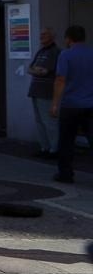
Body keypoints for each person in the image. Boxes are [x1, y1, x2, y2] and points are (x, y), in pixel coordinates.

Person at [53, 24, 93, 184]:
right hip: (90, 104)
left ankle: (66, 174)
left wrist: (55, 103)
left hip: (70, 105)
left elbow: (60, 79)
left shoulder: (66, 55)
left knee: (66, 141)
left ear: (68, 39)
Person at [27, 27, 60, 157]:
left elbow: (45, 71)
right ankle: (44, 148)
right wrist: (37, 70)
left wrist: (37, 70)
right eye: (41, 34)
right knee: (39, 121)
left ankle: (54, 149)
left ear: (52, 36)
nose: (42, 37)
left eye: (45, 34)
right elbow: (30, 69)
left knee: (49, 122)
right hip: (35, 90)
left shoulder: (55, 52)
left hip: (47, 92)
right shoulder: (41, 51)